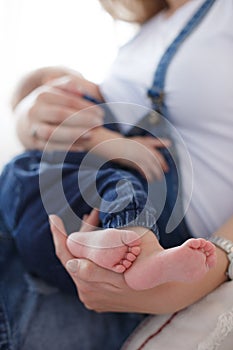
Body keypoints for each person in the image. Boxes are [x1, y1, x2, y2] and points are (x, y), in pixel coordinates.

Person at [0, 0, 233, 349]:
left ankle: (138, 245)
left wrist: (219, 259)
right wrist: (29, 116)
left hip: (155, 220)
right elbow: (79, 125)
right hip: (59, 224)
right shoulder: (138, 40)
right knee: (24, 172)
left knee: (114, 182)